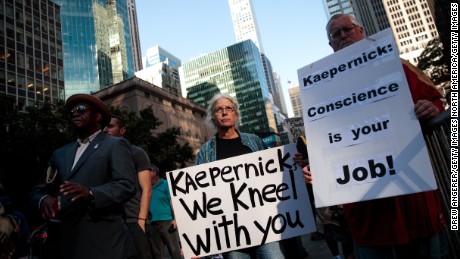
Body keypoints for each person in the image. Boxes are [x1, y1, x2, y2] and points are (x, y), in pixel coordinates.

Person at [304, 13, 446, 259]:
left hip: (412, 196)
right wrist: (317, 169)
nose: (343, 36)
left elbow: (435, 102)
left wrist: (431, 109)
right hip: (365, 207)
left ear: (360, 31)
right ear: (330, 45)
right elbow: (324, 142)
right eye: (335, 34)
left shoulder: (396, 65)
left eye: (347, 29)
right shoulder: (321, 89)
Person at [31, 94, 137, 259]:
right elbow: (39, 189)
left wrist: (92, 193)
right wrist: (43, 199)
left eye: (80, 109)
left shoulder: (115, 145)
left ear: (97, 116)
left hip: (106, 244)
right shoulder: (60, 153)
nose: (74, 113)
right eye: (71, 111)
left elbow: (127, 185)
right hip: (67, 244)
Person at [195, 93, 285, 259]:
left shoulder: (254, 141)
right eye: (218, 110)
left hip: (263, 224)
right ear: (213, 117)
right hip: (231, 232)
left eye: (229, 108)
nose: (224, 112)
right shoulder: (206, 151)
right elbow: (197, 194)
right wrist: (195, 240)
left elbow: (276, 174)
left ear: (235, 114)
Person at [104, 114, 153, 259]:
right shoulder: (100, 154)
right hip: (110, 220)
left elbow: (147, 189)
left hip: (134, 219)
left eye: (111, 126)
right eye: (104, 127)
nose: (106, 130)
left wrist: (141, 221)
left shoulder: (136, 152)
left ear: (122, 130)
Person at [148, 164, 182, 259]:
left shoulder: (165, 184)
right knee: (157, 253)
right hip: (152, 223)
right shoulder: (146, 187)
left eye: (148, 171)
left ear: (154, 172)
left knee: (174, 250)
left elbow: (173, 203)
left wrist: (175, 219)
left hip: (167, 222)